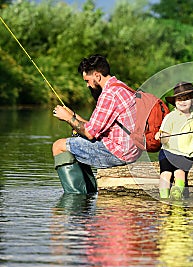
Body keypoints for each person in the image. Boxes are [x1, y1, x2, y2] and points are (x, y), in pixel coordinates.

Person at [52, 54, 141, 194]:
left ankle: (76, 199)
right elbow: (94, 127)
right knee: (77, 140)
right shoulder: (121, 87)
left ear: (97, 76)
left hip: (120, 153)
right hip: (132, 150)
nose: (87, 85)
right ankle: (89, 192)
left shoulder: (109, 94)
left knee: (59, 146)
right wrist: (73, 115)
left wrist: (68, 118)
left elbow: (89, 133)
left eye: (87, 80)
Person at [155, 82, 193, 200]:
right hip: (168, 152)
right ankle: (164, 197)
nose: (182, 101)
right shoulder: (170, 117)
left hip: (185, 155)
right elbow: (164, 139)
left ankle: (177, 193)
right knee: (165, 174)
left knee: (180, 173)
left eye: (186, 98)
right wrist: (162, 137)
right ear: (175, 102)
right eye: (179, 99)